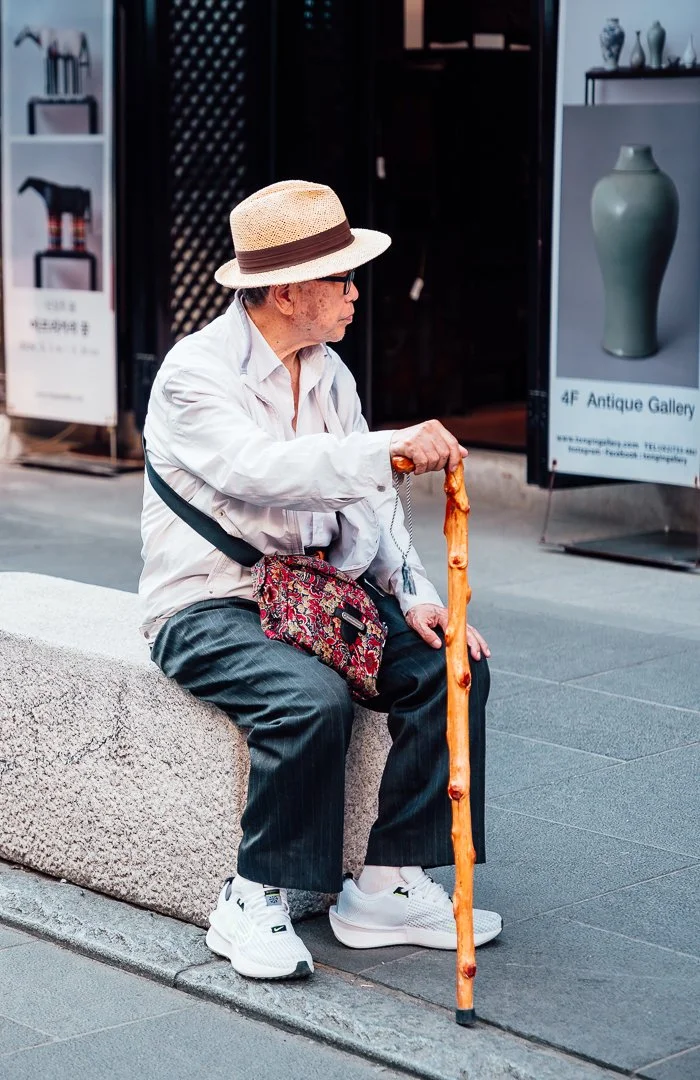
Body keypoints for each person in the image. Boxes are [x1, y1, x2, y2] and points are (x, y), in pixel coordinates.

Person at [139, 179, 501, 980]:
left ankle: (384, 885)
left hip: (315, 595)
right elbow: (262, 471)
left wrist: (416, 597)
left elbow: (373, 505)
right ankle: (251, 896)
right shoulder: (194, 374)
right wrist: (389, 445)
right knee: (307, 698)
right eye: (339, 277)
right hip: (208, 602)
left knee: (455, 669)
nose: (352, 292)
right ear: (287, 290)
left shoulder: (329, 371)